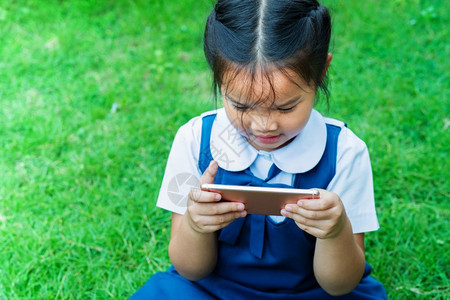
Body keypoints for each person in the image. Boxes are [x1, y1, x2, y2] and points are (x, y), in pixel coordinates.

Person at [131, 0, 387, 298]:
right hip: (213, 289)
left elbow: (340, 284)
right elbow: (191, 269)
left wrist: (335, 230)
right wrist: (196, 225)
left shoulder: (343, 152)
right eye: (240, 105)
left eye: (285, 107)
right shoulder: (195, 140)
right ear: (216, 75)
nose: (264, 125)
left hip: (310, 292)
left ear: (320, 73)